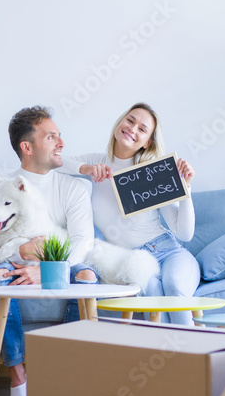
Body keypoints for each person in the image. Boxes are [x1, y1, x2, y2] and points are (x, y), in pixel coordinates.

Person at [0, 106, 98, 396]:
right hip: (11, 267)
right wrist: (23, 252)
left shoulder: (74, 188)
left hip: (61, 264)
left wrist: (50, 270)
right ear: (27, 147)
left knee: (87, 276)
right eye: (51, 137)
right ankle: (19, 379)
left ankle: (61, 372)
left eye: (59, 136)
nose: (61, 143)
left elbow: (84, 242)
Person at [58, 102, 199, 325]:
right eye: (130, 120)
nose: (132, 129)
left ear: (148, 142)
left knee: (174, 286)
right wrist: (84, 169)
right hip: (133, 260)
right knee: (152, 292)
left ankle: (193, 355)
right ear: (120, 122)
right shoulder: (96, 162)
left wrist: (186, 190)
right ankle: (168, 356)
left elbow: (184, 234)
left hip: (168, 252)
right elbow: (52, 162)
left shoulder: (154, 171)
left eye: (142, 129)